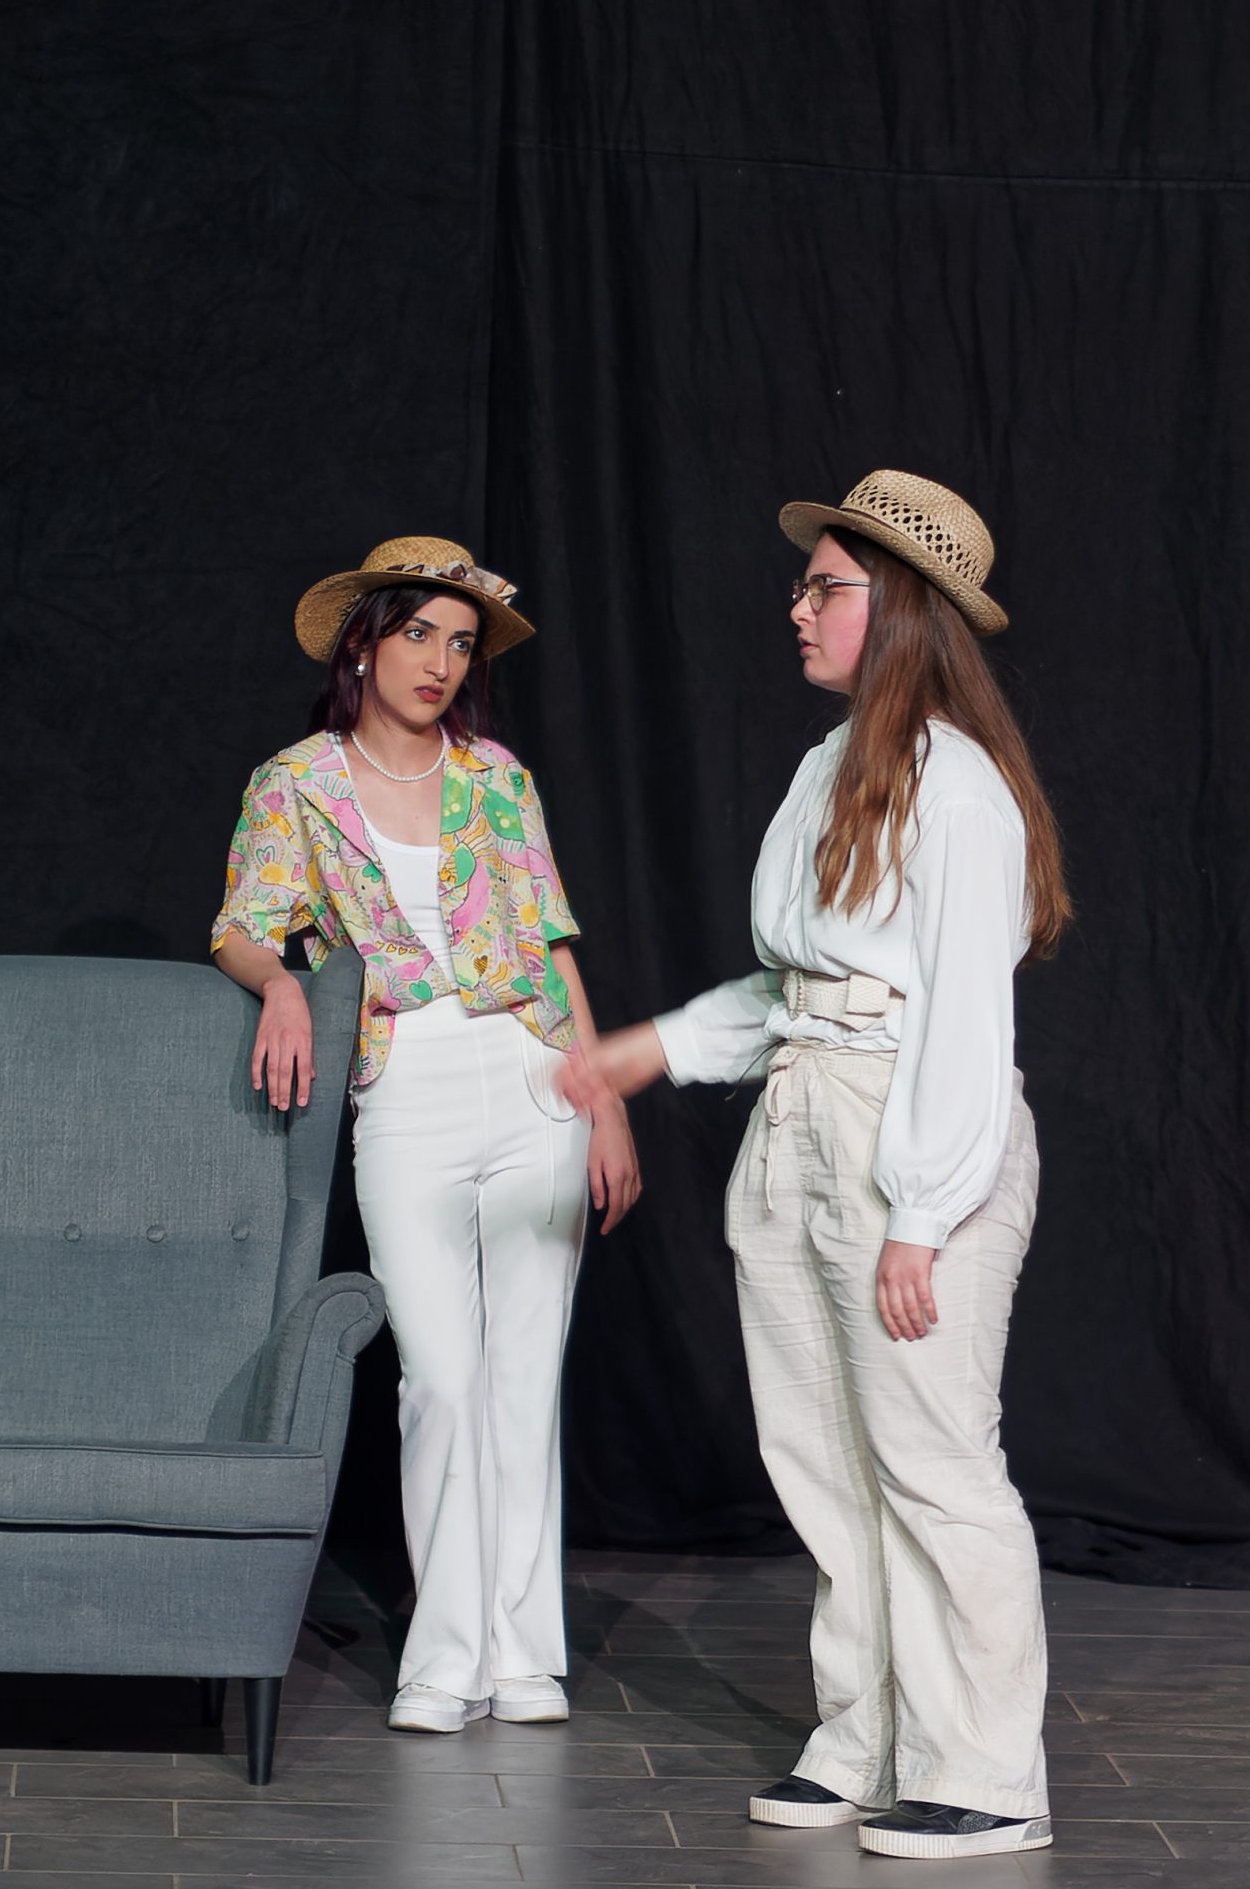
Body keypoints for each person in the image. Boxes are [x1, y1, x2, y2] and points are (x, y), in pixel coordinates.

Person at [561, 472, 1070, 1860]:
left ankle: (988, 1773)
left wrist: (924, 1211)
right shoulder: (824, 767)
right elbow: (803, 987)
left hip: (910, 1131)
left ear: (896, 609)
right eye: (804, 587)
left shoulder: (957, 788)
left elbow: (959, 1018)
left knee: (933, 1460)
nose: (796, 608)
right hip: (800, 1122)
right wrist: (651, 1049)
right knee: (824, 1461)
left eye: (823, 588)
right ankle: (867, 1735)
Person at [212, 536, 640, 1735]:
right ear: (363, 641)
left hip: (535, 1074)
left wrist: (605, 1100)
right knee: (441, 1380)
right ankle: (445, 1655)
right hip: (404, 1082)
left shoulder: (497, 777)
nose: (439, 663)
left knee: (524, 1377)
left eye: (459, 644)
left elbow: (550, 944)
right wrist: (281, 984)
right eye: (417, 635)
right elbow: (242, 925)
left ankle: (522, 1655)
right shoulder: (295, 783)